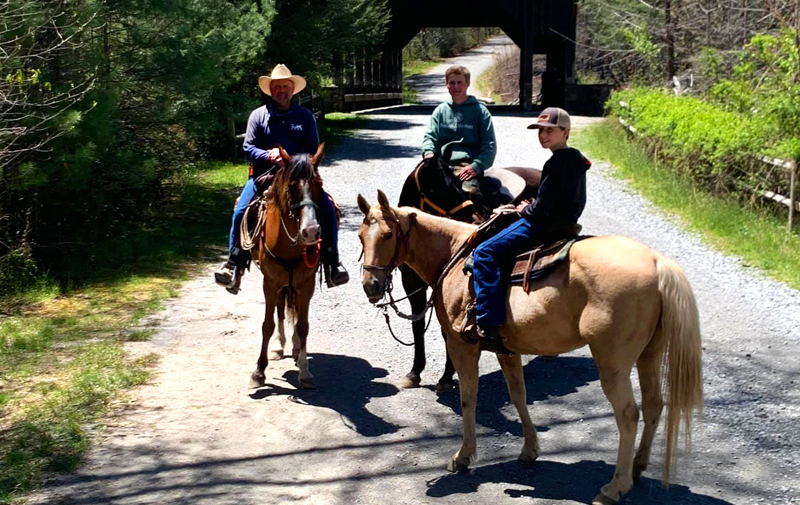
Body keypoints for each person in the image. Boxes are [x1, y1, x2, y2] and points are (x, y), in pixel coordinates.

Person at [214, 64, 349, 294]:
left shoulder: (304, 116)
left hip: (297, 177)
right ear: (270, 90)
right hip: (264, 176)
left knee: (327, 208)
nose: (281, 91)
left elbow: (312, 150)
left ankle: (332, 263)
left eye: (285, 86)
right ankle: (233, 264)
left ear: (292, 89)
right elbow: (248, 148)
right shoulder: (258, 116)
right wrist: (268, 154)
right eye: (277, 87)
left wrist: (293, 161)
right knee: (240, 211)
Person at [469, 107, 591, 354]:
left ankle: (489, 325)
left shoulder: (556, 162)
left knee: (484, 252)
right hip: (566, 223)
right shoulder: (577, 159)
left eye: (549, 130)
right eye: (540, 131)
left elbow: (543, 207)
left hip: (542, 225)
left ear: (564, 131)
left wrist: (524, 209)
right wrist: (534, 205)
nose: (543, 135)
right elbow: (561, 199)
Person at [421, 65, 496, 212]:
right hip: (441, 164)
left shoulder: (480, 112)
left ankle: (479, 224)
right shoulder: (441, 111)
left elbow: (489, 146)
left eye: (459, 82)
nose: (455, 87)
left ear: (467, 84)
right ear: (447, 84)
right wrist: (429, 154)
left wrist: (476, 166)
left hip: (466, 165)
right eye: (452, 83)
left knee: (470, 196)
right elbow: (429, 137)